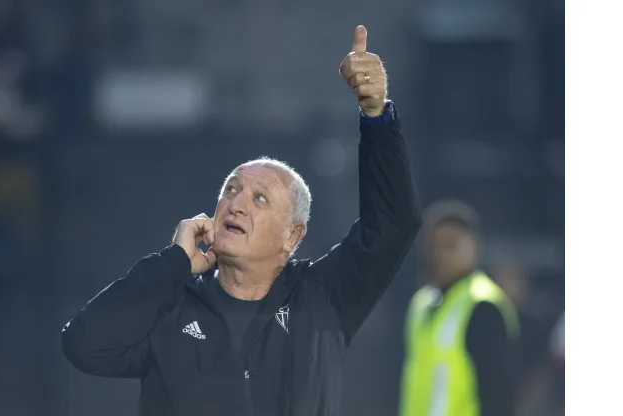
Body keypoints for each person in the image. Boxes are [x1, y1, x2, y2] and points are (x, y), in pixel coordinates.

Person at [61, 25, 422, 416]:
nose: (236, 204)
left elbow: (393, 221)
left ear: (292, 236)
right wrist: (173, 264)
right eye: (230, 190)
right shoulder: (170, 306)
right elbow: (84, 347)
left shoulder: (323, 297)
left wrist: (376, 115)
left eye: (259, 198)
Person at [399, 200, 520, 416]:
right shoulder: (421, 303)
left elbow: (498, 395)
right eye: (433, 246)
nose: (441, 255)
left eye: (451, 245)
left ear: (474, 247)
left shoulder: (483, 305)